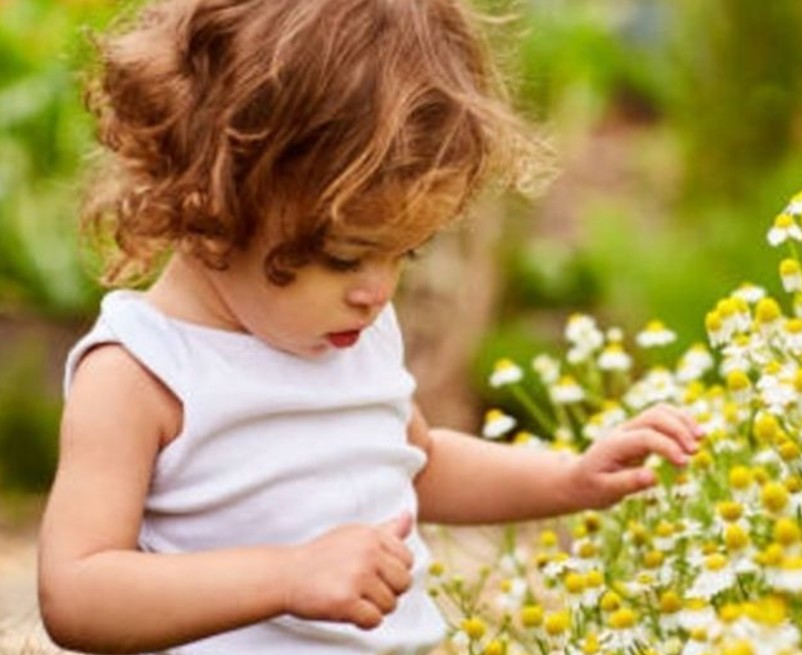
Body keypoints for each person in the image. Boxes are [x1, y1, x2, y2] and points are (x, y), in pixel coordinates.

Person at [36, 0, 701, 653]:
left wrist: (568, 478)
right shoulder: (142, 372)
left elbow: (422, 464)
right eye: (345, 256)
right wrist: (287, 576)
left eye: (404, 253)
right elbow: (78, 590)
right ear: (213, 197)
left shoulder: (352, 334)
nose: (378, 291)